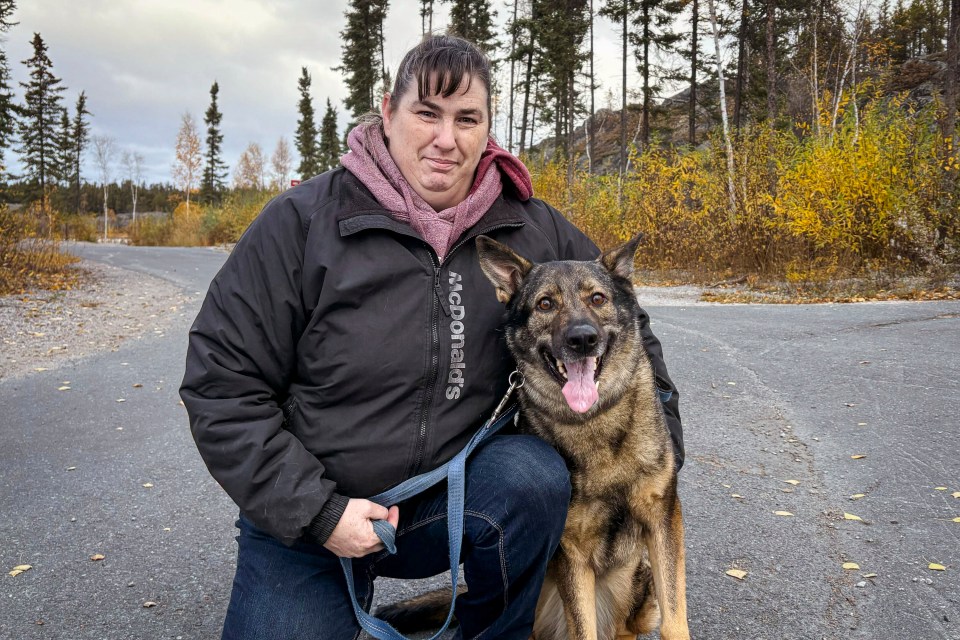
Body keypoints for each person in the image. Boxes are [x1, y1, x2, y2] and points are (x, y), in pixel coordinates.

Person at [179, 34, 683, 640]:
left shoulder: (532, 229)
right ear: (388, 113)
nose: (447, 139)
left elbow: (625, 321)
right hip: (313, 517)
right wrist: (318, 511)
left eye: (467, 119)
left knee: (534, 479)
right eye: (427, 113)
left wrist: (662, 440)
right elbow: (221, 384)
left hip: (454, 499)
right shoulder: (302, 222)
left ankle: (490, 629)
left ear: (487, 129)